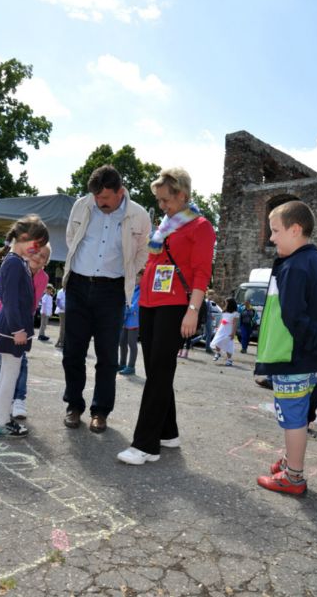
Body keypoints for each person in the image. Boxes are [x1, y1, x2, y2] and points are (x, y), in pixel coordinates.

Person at [117, 167, 215, 465]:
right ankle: (168, 432)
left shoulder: (200, 226)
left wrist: (193, 311)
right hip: (148, 303)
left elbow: (201, 274)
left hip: (175, 307)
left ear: (181, 195)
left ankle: (145, 445)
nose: (161, 206)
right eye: (158, 200)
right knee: (159, 371)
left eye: (165, 200)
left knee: (158, 372)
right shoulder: (166, 226)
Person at [62, 164, 151, 434]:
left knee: (108, 356)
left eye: (105, 199)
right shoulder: (82, 205)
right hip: (78, 284)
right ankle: (74, 406)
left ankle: (100, 412)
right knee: (72, 352)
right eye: (96, 198)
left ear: (120, 192)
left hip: (112, 291)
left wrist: (127, 274)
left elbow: (143, 251)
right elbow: (70, 238)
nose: (100, 203)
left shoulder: (139, 215)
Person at [255, 200, 317, 495]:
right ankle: (291, 460)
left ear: (296, 229)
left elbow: (294, 318)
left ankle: (294, 476)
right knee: (299, 414)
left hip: (296, 357)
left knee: (293, 417)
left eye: (276, 230)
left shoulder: (294, 267)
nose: (272, 237)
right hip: (315, 359)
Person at [0, 214, 49, 437]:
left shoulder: (17, 262)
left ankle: (0, 418)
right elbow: (11, 300)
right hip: (12, 329)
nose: (37, 250)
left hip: (10, 327)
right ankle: (2, 421)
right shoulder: (14, 263)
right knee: (9, 375)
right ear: (24, 237)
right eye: (37, 244)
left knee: (7, 374)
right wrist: (18, 330)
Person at [118, 271, 142, 375]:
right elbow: (125, 303)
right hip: (125, 320)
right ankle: (122, 364)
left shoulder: (141, 290)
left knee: (132, 344)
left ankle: (131, 367)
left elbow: (135, 306)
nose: (136, 278)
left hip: (134, 321)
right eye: (134, 275)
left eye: (138, 276)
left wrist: (126, 308)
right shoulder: (129, 289)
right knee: (122, 342)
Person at [210, 297, 238, 367]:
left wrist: (233, 333)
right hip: (222, 328)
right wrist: (218, 327)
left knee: (228, 344)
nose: (226, 304)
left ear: (231, 304)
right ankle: (218, 353)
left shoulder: (235, 313)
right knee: (217, 341)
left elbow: (235, 324)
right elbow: (222, 320)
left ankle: (229, 360)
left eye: (227, 303)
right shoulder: (224, 311)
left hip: (229, 329)